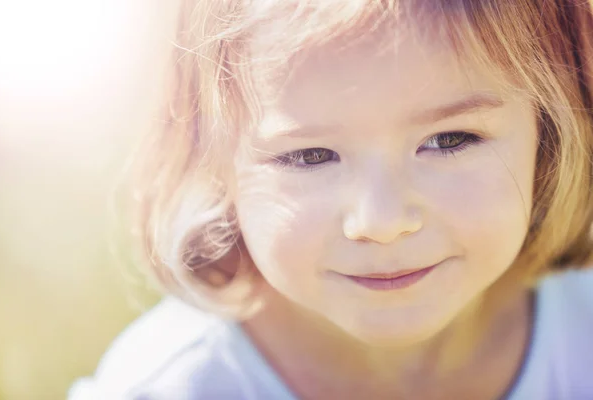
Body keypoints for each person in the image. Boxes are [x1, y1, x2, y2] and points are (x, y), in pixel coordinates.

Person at [69, 0, 593, 398]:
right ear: (213, 162)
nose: (382, 222)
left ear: (551, 131)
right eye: (311, 156)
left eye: (449, 140)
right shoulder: (172, 384)